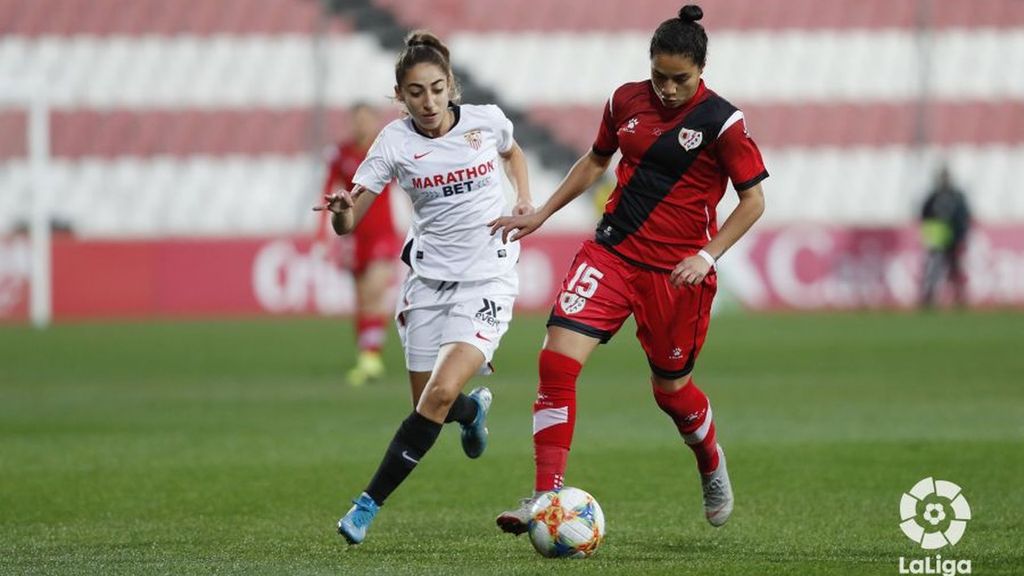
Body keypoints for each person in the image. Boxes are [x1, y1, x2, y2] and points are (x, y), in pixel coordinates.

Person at [490, 4, 767, 532]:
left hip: (676, 274)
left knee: (671, 392)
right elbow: (596, 161)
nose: (666, 88)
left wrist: (706, 255)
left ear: (701, 71)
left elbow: (753, 201)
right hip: (612, 253)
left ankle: (709, 458)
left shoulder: (722, 123)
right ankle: (545, 496)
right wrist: (543, 212)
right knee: (556, 362)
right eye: (659, 76)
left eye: (679, 80)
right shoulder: (624, 99)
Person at [314, 30, 534, 545]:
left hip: (487, 279)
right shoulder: (393, 143)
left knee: (436, 395)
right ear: (400, 96)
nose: (429, 101)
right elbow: (349, 219)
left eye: (437, 88)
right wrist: (344, 213)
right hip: (427, 284)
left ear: (451, 84)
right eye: (416, 92)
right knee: (430, 406)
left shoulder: (485, 121)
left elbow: (514, 151)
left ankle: (365, 506)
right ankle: (472, 408)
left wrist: (523, 197)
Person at [319, 103, 402, 386]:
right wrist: (322, 235)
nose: (362, 125)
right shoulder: (340, 154)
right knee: (362, 299)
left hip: (383, 234)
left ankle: (370, 359)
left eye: (367, 120)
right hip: (353, 236)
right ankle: (368, 355)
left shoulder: (384, 153)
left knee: (374, 292)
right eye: (357, 120)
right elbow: (328, 190)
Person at [919, 165, 971, 309]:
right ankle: (929, 298)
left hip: (953, 239)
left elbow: (963, 217)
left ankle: (959, 298)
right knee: (934, 270)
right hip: (938, 239)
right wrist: (929, 235)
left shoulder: (956, 196)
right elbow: (925, 216)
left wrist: (961, 236)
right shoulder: (933, 196)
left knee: (954, 270)